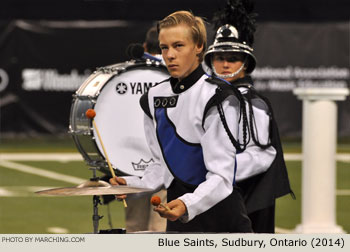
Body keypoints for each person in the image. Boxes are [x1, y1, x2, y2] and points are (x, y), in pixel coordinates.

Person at [110, 10, 252, 233]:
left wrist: (188, 203)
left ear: (198, 46)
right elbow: (161, 167)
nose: (169, 55)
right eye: (164, 47)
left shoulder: (218, 96)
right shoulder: (152, 97)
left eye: (178, 46)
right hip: (177, 217)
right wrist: (131, 184)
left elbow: (222, 177)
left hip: (220, 219)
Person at [204, 0, 294, 233]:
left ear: (245, 63)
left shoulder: (253, 103)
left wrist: (215, 172)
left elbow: (262, 155)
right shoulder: (207, 97)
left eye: (232, 58)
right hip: (215, 192)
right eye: (219, 57)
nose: (224, 64)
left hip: (246, 198)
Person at [123, 26, 167, 233]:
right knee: (160, 232)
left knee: (136, 231)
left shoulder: (131, 76)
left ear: (144, 47)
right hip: (156, 171)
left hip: (135, 165)